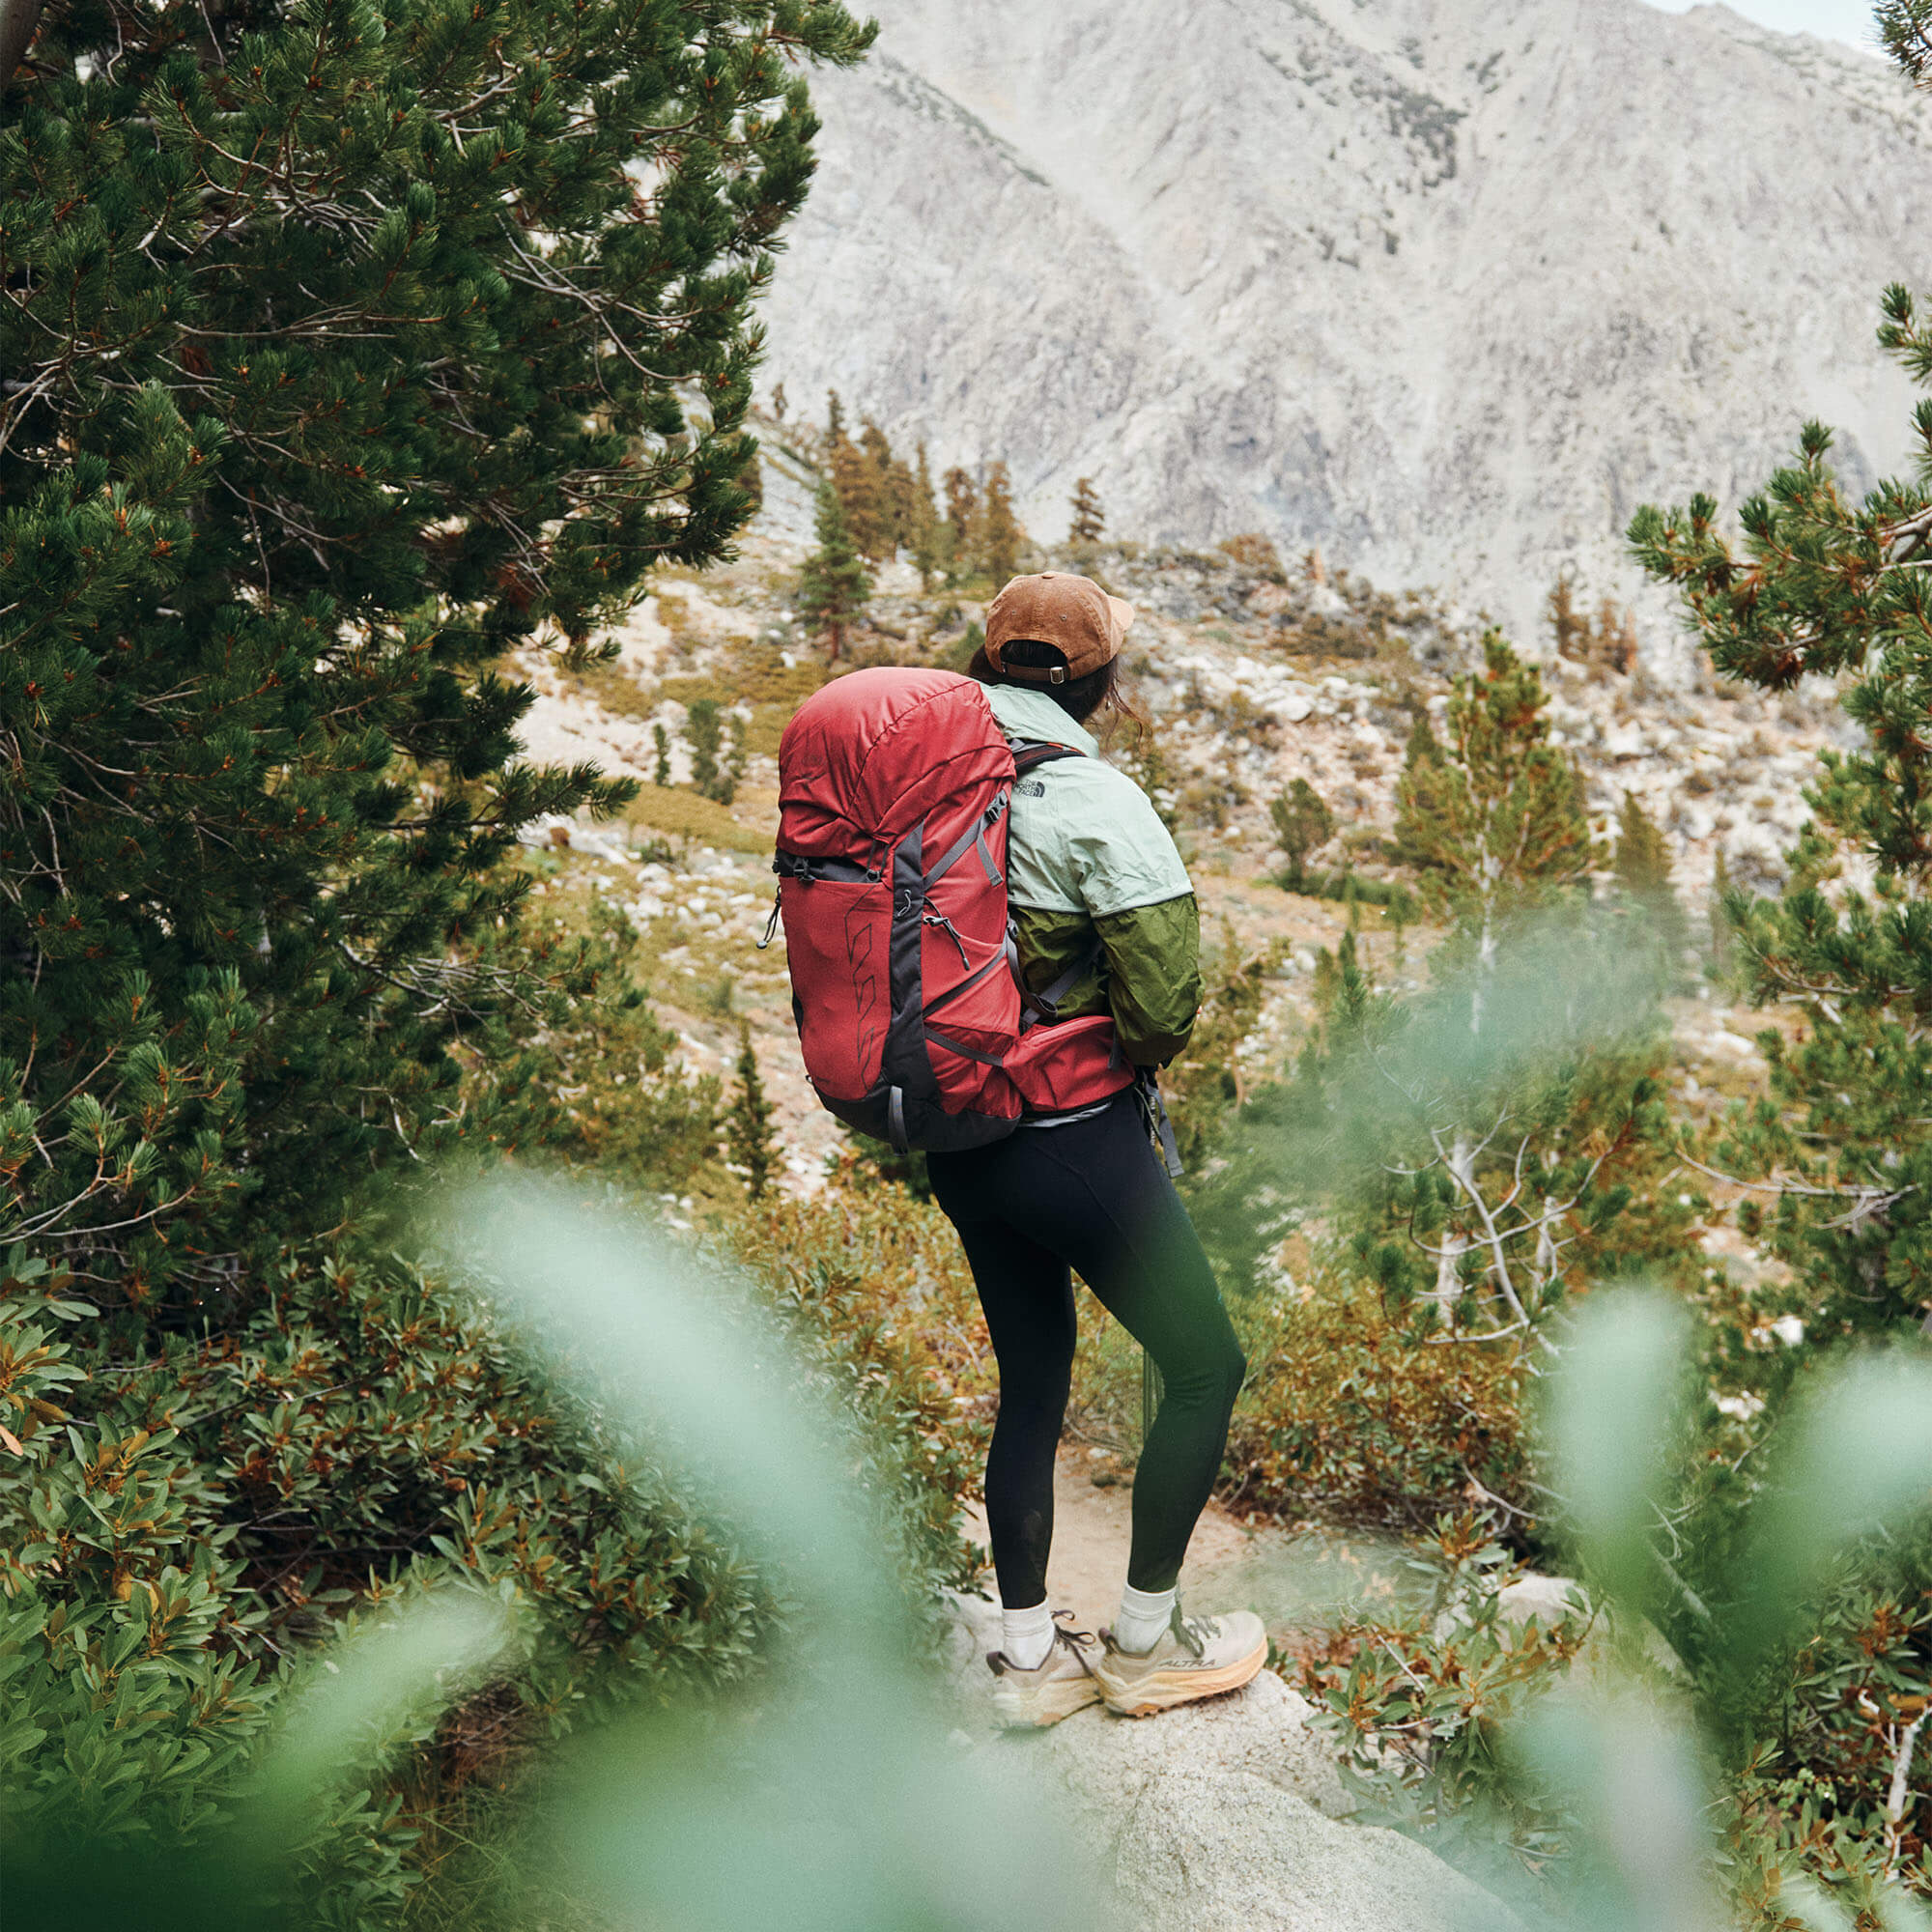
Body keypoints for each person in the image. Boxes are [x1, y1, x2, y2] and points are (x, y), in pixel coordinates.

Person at [925, 570, 1264, 1726]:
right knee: (1204, 1365)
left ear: (988, 657)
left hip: (959, 1136)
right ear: (1100, 680)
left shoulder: (928, 772)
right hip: (1069, 1134)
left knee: (1032, 1379)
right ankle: (1142, 1644)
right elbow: (1162, 1005)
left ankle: (1027, 1657)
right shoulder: (1091, 796)